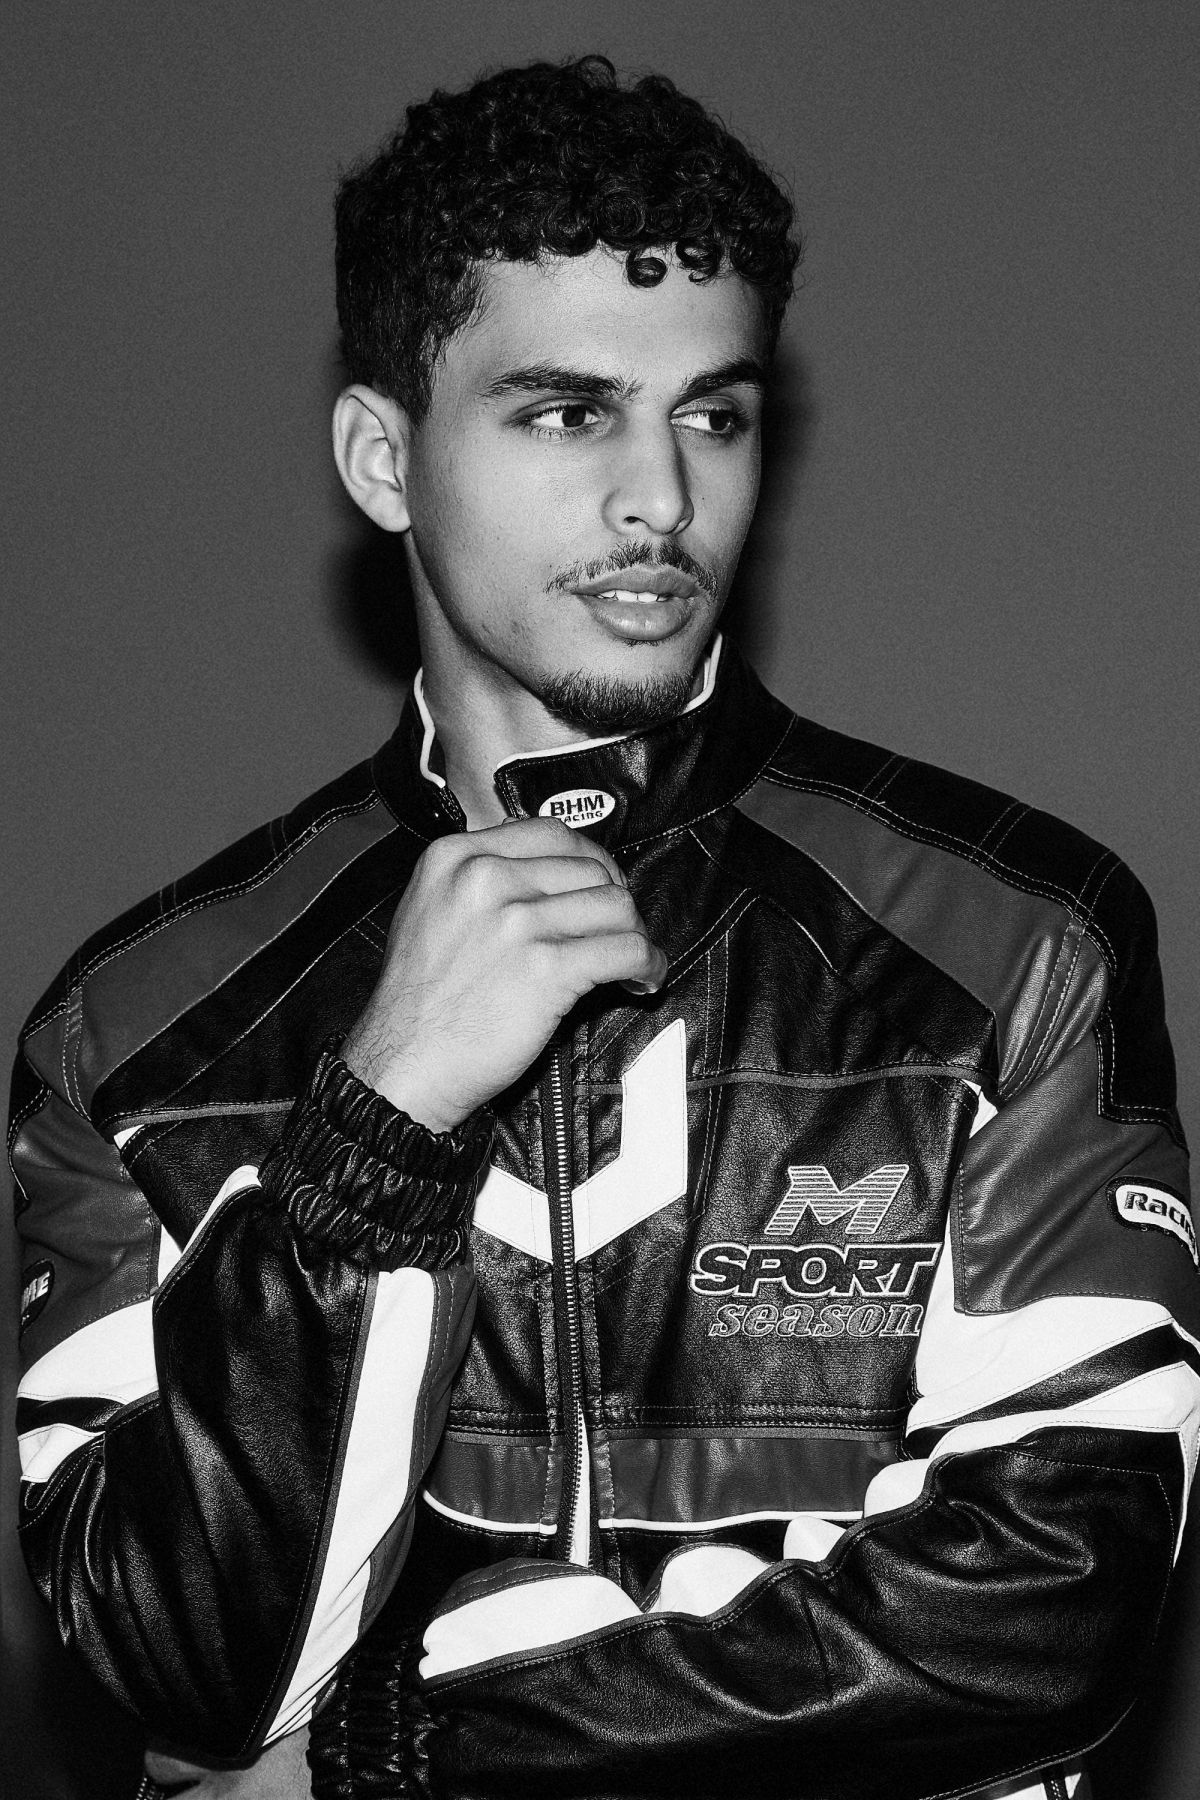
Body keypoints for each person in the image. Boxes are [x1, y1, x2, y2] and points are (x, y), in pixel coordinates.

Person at [11, 53, 1197, 1800]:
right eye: (568, 414)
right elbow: (175, 1660)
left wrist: (401, 1766)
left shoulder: (1015, 938)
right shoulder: (133, 1030)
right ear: (383, 458)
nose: (662, 499)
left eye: (712, 416)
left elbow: (1047, 1610)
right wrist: (376, 1128)